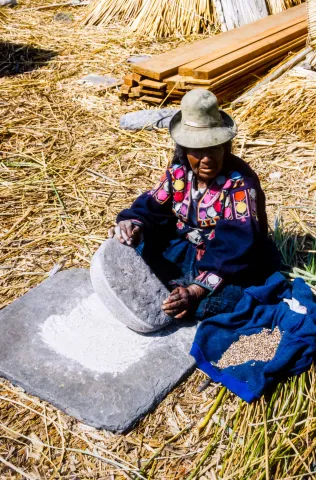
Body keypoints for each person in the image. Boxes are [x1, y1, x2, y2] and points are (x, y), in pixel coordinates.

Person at [109, 89, 279, 322]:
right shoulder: (179, 171)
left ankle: (186, 295)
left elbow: (238, 246)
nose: (207, 158)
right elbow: (151, 205)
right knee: (132, 249)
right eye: (197, 150)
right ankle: (177, 291)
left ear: (226, 146)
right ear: (185, 150)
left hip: (229, 261)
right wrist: (133, 225)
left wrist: (196, 291)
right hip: (186, 249)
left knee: (228, 299)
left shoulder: (239, 183)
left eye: (214, 147)